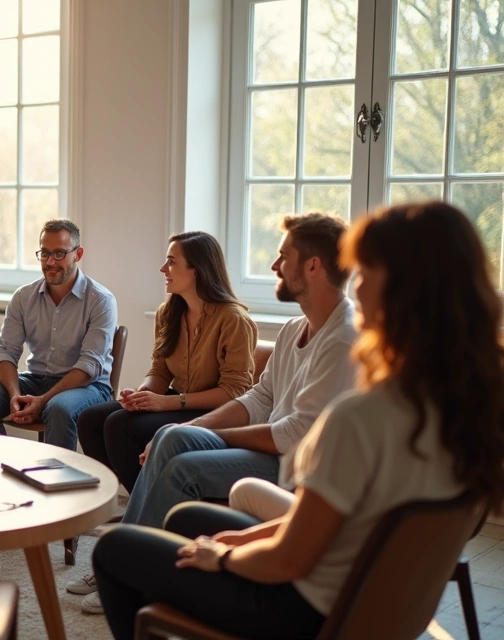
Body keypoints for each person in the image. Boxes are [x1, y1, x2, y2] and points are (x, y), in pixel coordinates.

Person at [89, 200, 504, 640]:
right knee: (188, 520)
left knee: (116, 549)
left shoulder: (361, 416)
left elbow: (289, 560)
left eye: (363, 271)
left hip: (301, 610)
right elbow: (350, 522)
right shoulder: (468, 408)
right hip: (367, 603)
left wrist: (225, 559)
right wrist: (240, 541)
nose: (355, 286)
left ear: (401, 288)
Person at [73, 213, 357, 616]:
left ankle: (131, 561)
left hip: (293, 468)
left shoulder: (344, 336)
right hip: (271, 446)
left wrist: (211, 434)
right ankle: (131, 552)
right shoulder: (295, 328)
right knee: (170, 436)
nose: (274, 266)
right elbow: (260, 398)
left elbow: (293, 435)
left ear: (313, 266)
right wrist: (185, 427)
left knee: (182, 466)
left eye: (283, 257)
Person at [76, 231, 256, 493]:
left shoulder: (233, 319)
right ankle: (124, 495)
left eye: (171, 261)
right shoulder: (168, 312)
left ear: (197, 269)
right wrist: (143, 394)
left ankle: (148, 506)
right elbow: (160, 369)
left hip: (213, 411)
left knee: (118, 425)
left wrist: (168, 402)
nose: (163, 268)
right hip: (178, 401)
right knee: (90, 419)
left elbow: (234, 393)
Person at [0, 219, 118, 452]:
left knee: (58, 408)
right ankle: (2, 468)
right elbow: (4, 351)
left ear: (78, 254)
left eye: (59, 253)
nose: (50, 262)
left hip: (89, 386)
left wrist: (43, 401)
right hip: (36, 379)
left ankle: (56, 482)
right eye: (45, 253)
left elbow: (90, 365)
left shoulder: (101, 300)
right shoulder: (23, 297)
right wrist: (15, 395)